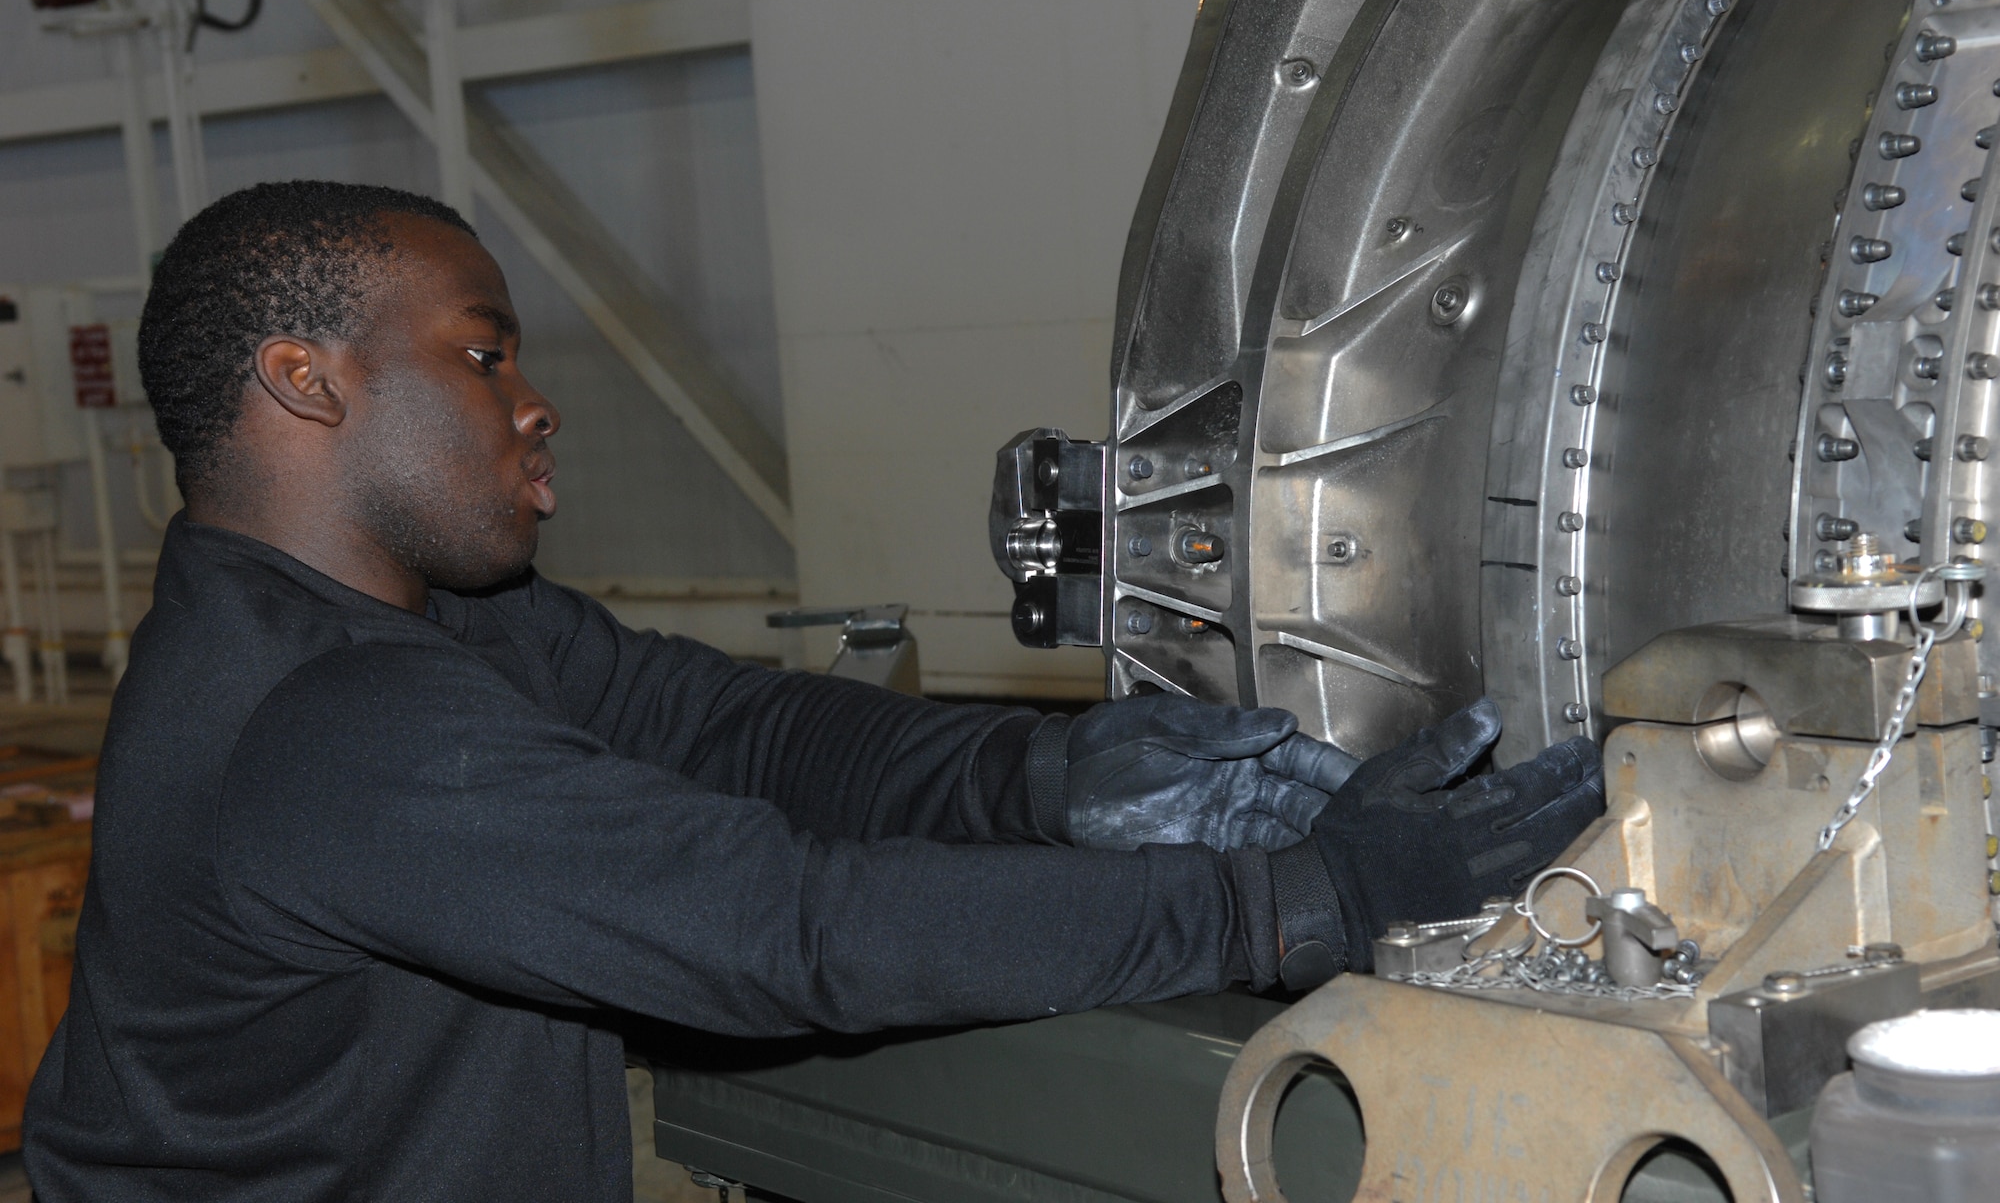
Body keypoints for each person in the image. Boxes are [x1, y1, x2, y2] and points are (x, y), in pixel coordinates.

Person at [22, 182, 1603, 1201]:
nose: (536, 400)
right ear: (307, 382)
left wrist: (1049, 779)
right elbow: (787, 933)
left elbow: (734, 728)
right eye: (485, 356)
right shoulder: (325, 727)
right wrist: (1291, 902)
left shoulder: (437, 626)